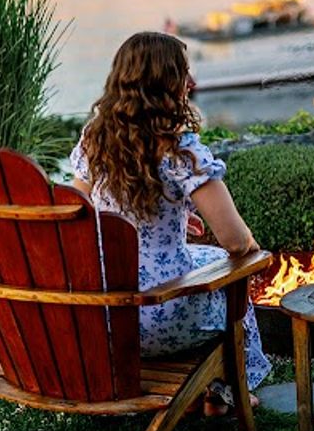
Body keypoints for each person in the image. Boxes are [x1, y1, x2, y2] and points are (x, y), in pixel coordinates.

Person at [69, 31, 270, 411]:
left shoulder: (94, 141)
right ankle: (226, 389)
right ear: (164, 84)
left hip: (104, 317)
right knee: (237, 269)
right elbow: (234, 240)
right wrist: (251, 248)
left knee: (201, 256)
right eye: (183, 73)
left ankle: (204, 387)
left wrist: (170, 221)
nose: (191, 83)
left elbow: (75, 211)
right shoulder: (181, 152)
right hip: (164, 316)